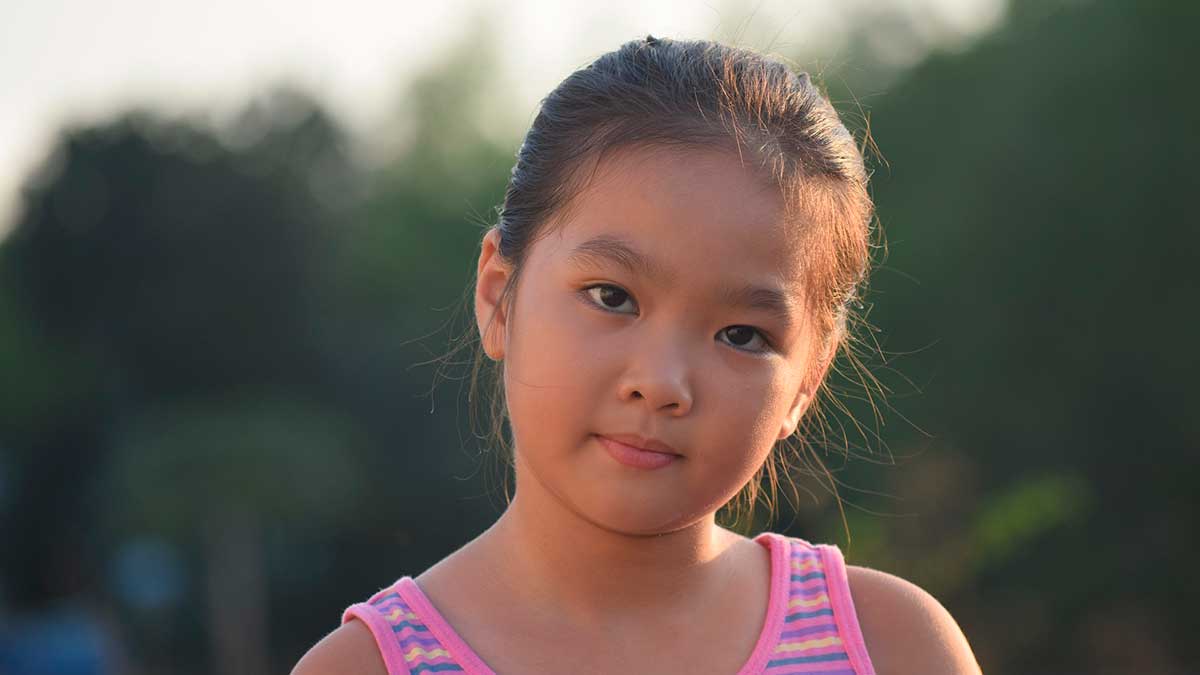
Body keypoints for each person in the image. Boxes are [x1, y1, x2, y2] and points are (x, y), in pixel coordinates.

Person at [293, 35, 981, 675]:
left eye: (742, 335)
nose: (660, 383)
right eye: (611, 296)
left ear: (808, 379)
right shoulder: (369, 665)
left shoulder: (892, 645)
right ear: (500, 295)